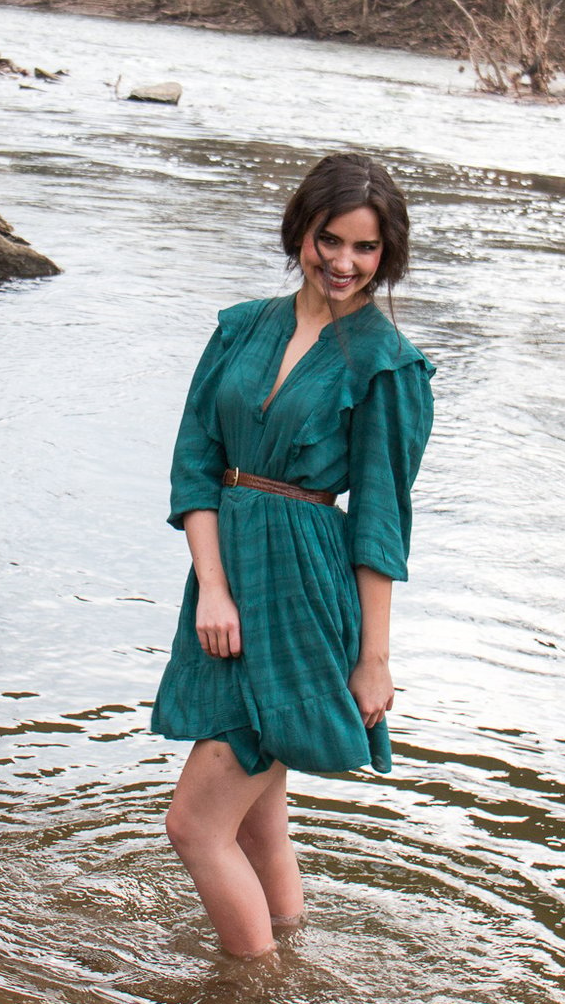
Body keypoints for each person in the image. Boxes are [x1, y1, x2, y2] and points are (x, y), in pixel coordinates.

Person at [151, 152, 436, 959]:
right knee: (256, 822)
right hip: (227, 579)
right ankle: (295, 968)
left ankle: (252, 1000)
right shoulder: (242, 327)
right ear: (300, 231)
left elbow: (382, 523)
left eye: (366, 249)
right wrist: (212, 586)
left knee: (195, 825)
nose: (343, 263)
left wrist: (374, 658)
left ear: (387, 257)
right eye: (329, 239)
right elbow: (194, 465)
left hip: (304, 592)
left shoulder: (386, 364)